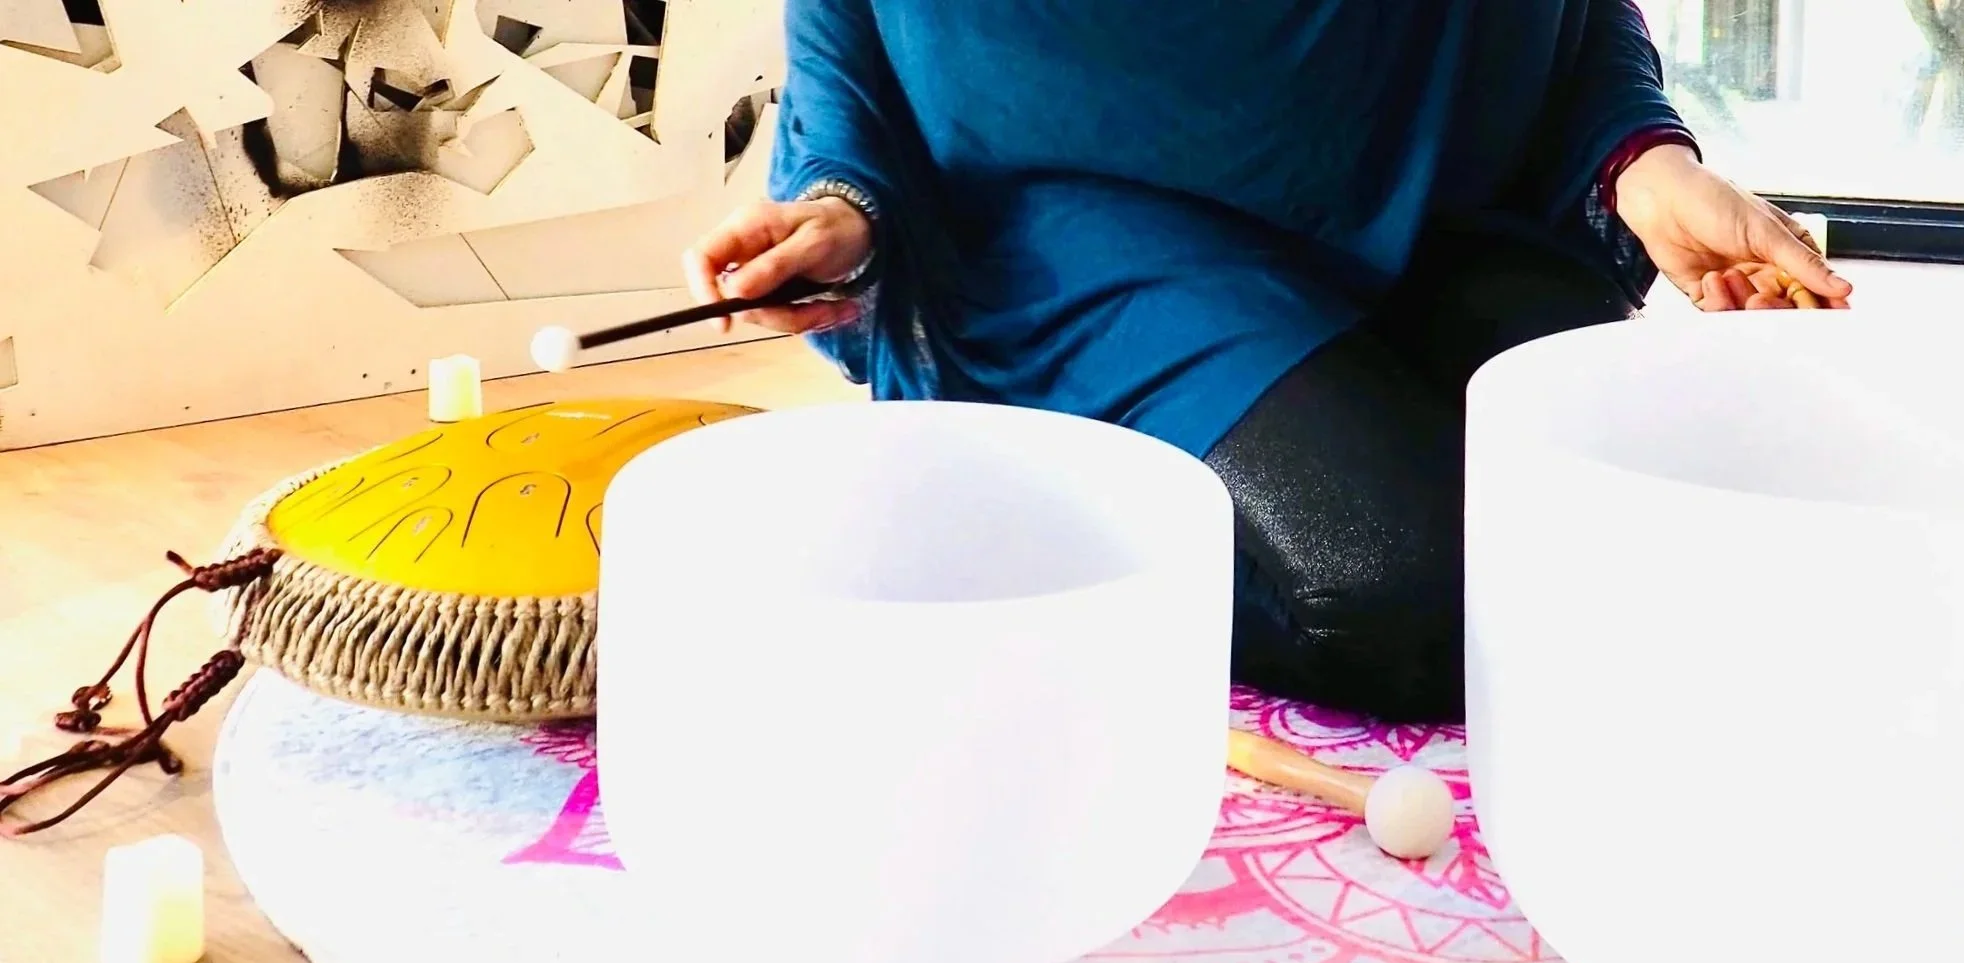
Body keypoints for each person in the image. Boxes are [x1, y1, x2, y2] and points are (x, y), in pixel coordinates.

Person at [686, 0, 1852, 725]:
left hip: (1433, 185)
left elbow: (1579, 16)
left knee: (1669, 532)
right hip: (1090, 220)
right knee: (1415, 608)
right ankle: (1033, 533)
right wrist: (843, 199)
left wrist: (1636, 163)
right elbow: (849, 30)